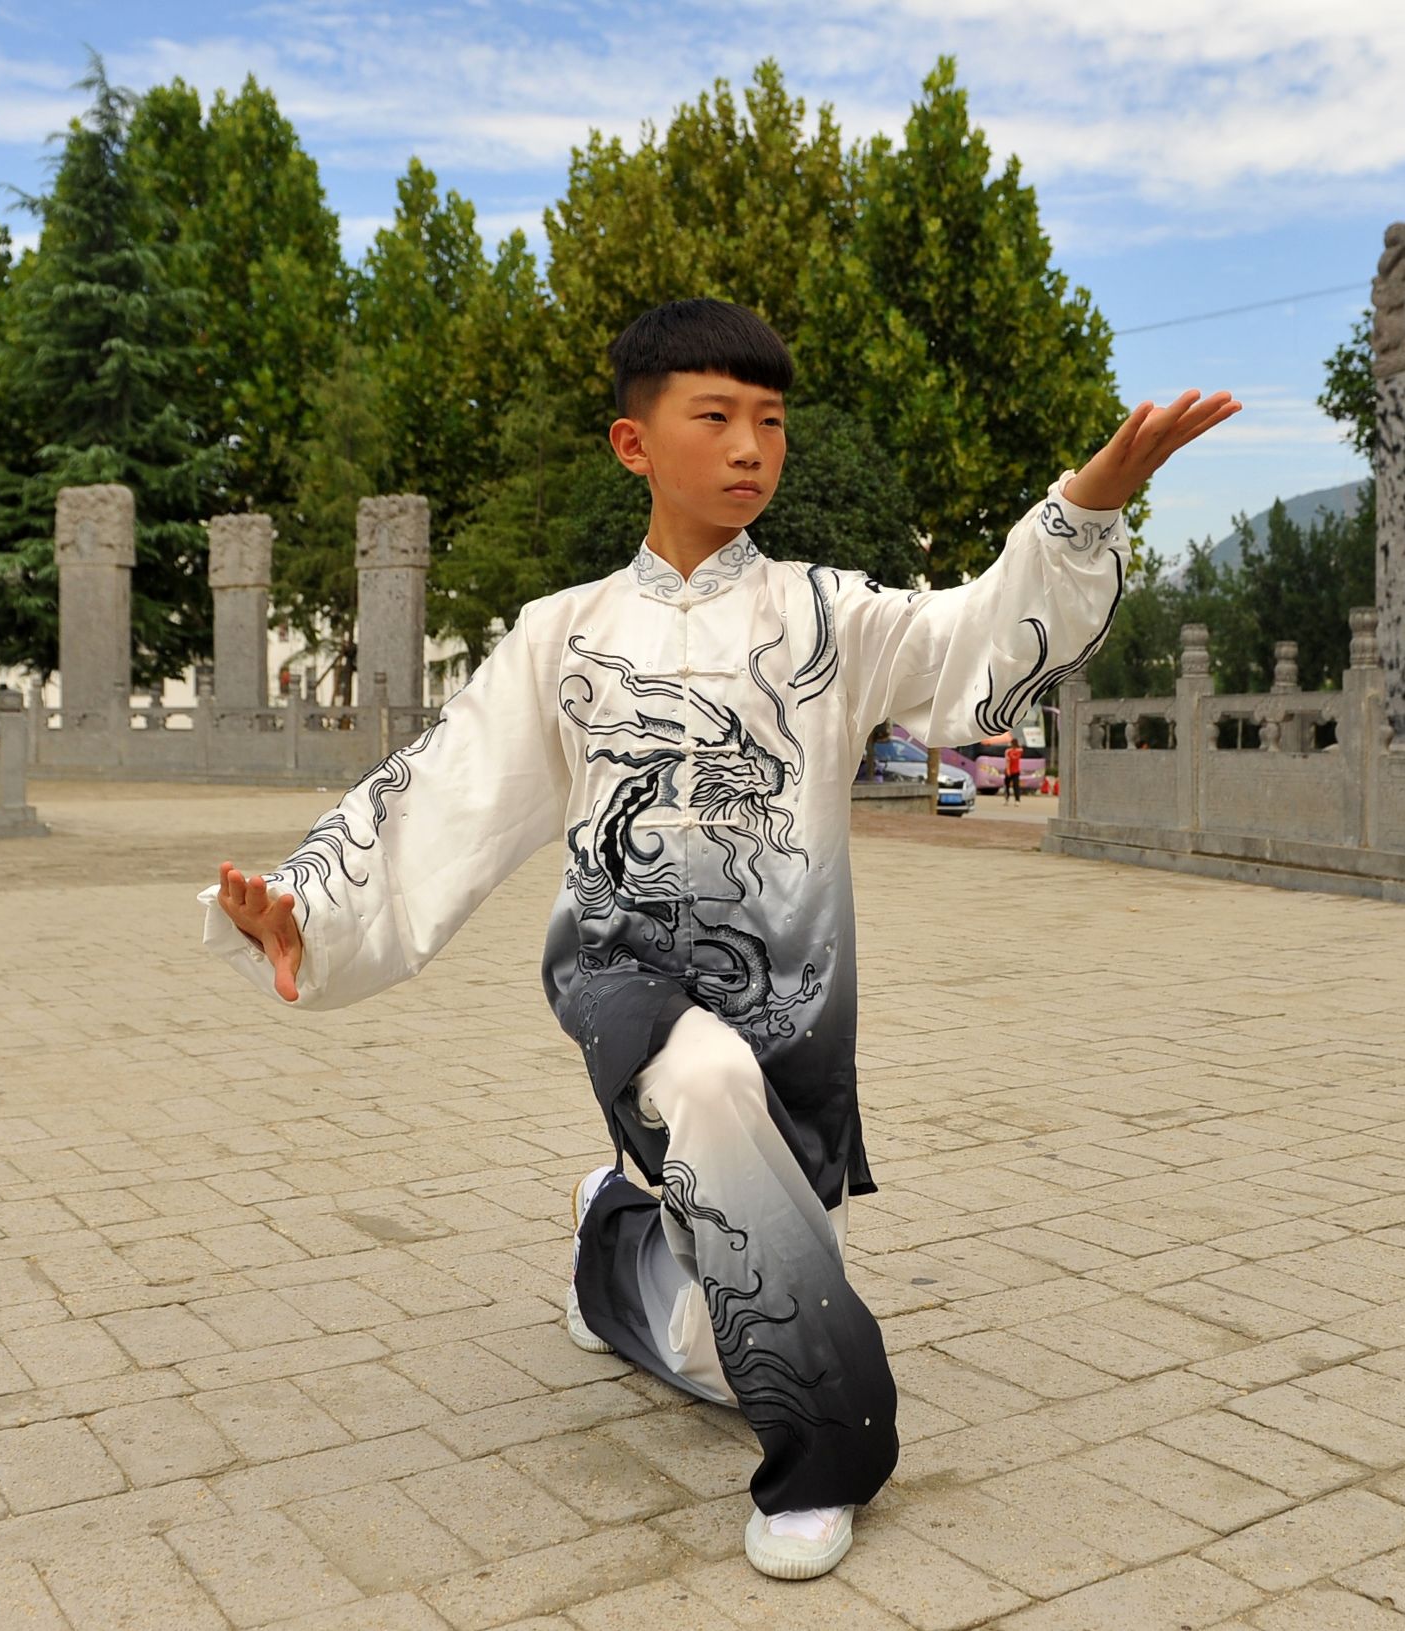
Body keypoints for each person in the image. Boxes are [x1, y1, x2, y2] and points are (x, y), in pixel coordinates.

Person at [203, 298, 1237, 1581]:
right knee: (703, 1080)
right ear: (634, 443)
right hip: (621, 969)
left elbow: (972, 643)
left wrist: (1081, 511)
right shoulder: (564, 633)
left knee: (711, 1344)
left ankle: (613, 1240)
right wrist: (307, 905)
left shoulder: (827, 616)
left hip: (790, 1007)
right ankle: (827, 1454)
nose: (752, 445)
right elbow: (446, 791)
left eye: (772, 420)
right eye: (717, 416)